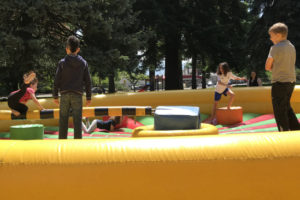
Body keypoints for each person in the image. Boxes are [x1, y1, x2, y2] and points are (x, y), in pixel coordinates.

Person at [53, 35, 92, 139]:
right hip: (77, 94)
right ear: (78, 49)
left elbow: (57, 80)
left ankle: (62, 144)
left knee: (63, 120)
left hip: (65, 94)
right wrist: (89, 97)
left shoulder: (62, 63)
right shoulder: (83, 63)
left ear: (67, 49)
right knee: (77, 120)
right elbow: (88, 81)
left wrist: (55, 95)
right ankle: (77, 146)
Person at [265, 22, 300, 131]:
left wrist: (273, 68)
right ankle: (296, 130)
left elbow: (267, 66)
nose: (270, 38)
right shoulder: (291, 47)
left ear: (278, 35)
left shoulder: (275, 48)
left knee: (279, 111)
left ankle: (283, 134)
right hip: (291, 82)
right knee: (286, 107)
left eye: (271, 35)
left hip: (279, 83)